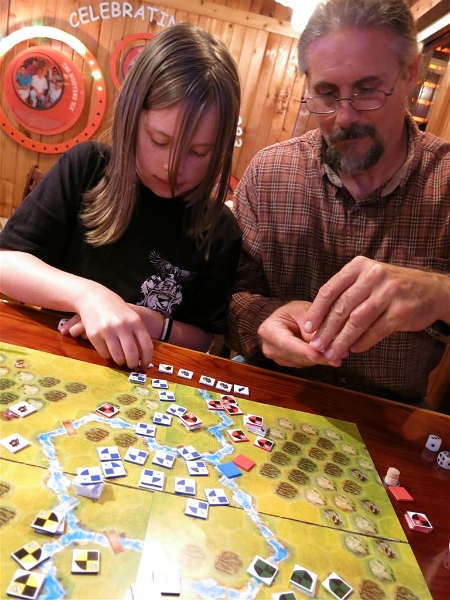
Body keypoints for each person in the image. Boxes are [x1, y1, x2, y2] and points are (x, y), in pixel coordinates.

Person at [227, 0, 450, 406]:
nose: (345, 118)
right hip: (271, 392)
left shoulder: (445, 183)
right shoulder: (270, 172)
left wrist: (438, 293)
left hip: (388, 415)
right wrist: (263, 319)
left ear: (410, 73)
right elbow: (229, 294)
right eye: (327, 93)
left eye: (368, 90)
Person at [0, 23, 242, 371]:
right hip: (54, 360)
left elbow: (205, 337)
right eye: (159, 140)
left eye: (199, 151)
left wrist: (153, 323)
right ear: (132, 115)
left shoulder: (221, 229)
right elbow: (6, 263)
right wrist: (89, 296)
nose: (173, 167)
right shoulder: (87, 166)